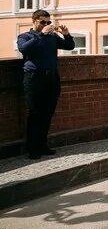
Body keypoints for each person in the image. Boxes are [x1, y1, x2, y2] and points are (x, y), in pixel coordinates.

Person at [16, 9, 75, 159]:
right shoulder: (25, 36)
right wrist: (42, 34)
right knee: (35, 114)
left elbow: (69, 46)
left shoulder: (52, 37)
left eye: (48, 22)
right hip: (34, 78)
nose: (46, 25)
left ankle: (43, 145)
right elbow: (24, 49)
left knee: (48, 113)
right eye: (42, 22)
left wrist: (66, 34)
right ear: (34, 21)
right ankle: (33, 148)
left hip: (52, 78)